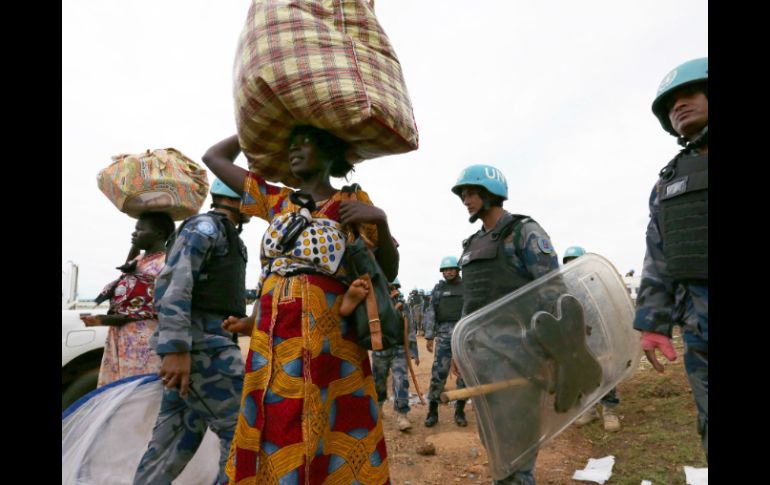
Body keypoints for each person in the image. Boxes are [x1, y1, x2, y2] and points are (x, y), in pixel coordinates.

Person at [202, 126, 398, 484]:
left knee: (325, 418)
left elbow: (387, 269)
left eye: (304, 143)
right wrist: (256, 124)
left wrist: (379, 220)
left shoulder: (350, 202)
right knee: (275, 413)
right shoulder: (276, 201)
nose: (294, 151)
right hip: (272, 332)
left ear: (328, 153)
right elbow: (213, 158)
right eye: (289, 146)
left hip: (330, 332)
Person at [133, 179, 251, 485]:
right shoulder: (205, 228)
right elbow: (174, 285)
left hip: (203, 346)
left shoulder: (228, 235)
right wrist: (176, 349)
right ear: (237, 198)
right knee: (244, 433)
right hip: (202, 349)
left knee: (173, 441)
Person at [451, 164, 560, 485]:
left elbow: (553, 293)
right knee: (495, 443)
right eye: (463, 194)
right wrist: (460, 349)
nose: (465, 200)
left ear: (490, 194)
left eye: (471, 193)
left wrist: (554, 354)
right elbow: (470, 303)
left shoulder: (525, 232)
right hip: (482, 358)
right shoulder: (471, 245)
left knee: (517, 453)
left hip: (520, 359)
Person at [634, 57, 708, 461]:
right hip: (700, 331)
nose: (678, 106)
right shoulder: (668, 183)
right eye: (670, 104)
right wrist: (653, 324)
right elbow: (658, 257)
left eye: (689, 95)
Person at [82, 211, 174, 387]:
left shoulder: (166, 262)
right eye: (135, 229)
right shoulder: (139, 260)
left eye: (140, 229)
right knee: (118, 392)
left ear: (159, 234)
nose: (134, 233)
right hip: (120, 335)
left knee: (138, 394)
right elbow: (126, 278)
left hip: (144, 338)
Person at [562, 246, 621, 432]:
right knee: (582, 373)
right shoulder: (564, 288)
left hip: (599, 336)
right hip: (577, 338)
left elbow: (604, 310)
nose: (571, 264)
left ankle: (609, 409)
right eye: (568, 261)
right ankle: (589, 409)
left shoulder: (593, 283)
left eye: (575, 260)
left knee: (605, 371)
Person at [371, 278, 420, 432]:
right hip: (381, 350)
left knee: (401, 381)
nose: (391, 290)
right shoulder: (374, 304)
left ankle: (402, 415)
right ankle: (378, 408)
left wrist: (414, 352)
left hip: (399, 349)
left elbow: (409, 329)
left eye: (394, 287)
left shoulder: (403, 305)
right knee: (378, 382)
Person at [424, 255, 466, 428]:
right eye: (445, 270)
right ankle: (432, 411)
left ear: (457, 270)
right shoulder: (438, 289)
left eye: (451, 269)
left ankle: (460, 411)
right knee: (438, 374)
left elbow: (470, 310)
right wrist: (429, 336)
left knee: (464, 376)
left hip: (462, 336)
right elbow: (431, 311)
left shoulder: (466, 288)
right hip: (443, 336)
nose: (448, 272)